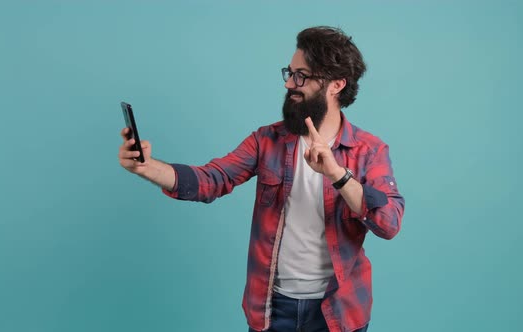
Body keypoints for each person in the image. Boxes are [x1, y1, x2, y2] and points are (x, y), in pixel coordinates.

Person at [118, 26, 405, 332]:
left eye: (301, 76)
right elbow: (211, 179)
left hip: (338, 312)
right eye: (289, 72)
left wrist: (337, 174)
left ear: (336, 85)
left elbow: (388, 223)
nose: (289, 83)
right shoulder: (267, 140)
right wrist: (148, 167)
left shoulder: (369, 151)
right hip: (273, 310)